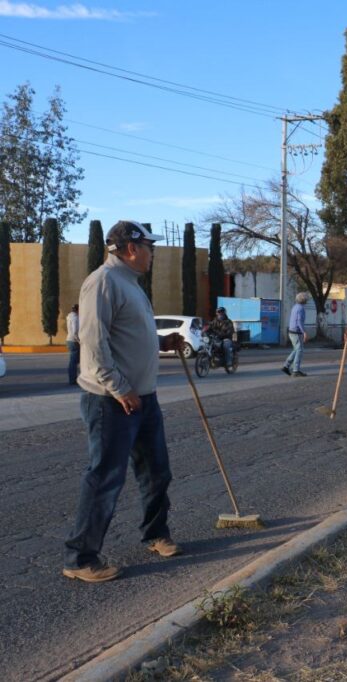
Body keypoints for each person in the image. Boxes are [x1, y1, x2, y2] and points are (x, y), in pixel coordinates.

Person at [64, 221, 183, 583]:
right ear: (131, 248)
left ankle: (156, 534)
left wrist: (162, 343)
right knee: (105, 477)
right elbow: (94, 344)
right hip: (112, 401)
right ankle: (80, 558)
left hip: (143, 398)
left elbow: (126, 335)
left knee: (156, 470)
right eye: (150, 247)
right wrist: (118, 387)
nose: (152, 254)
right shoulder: (103, 282)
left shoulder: (130, 284)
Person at [283, 292, 309, 377]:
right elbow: (299, 322)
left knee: (296, 349)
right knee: (299, 350)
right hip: (296, 332)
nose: (307, 300)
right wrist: (304, 332)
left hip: (292, 331)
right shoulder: (301, 308)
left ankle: (286, 366)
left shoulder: (295, 307)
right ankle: (296, 370)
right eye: (306, 299)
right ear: (303, 300)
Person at [66, 303, 80, 385]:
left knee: (74, 361)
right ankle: (73, 380)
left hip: (69, 340)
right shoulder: (75, 318)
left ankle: (74, 378)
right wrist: (79, 340)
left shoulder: (69, 317)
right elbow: (75, 331)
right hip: (74, 341)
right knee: (74, 361)